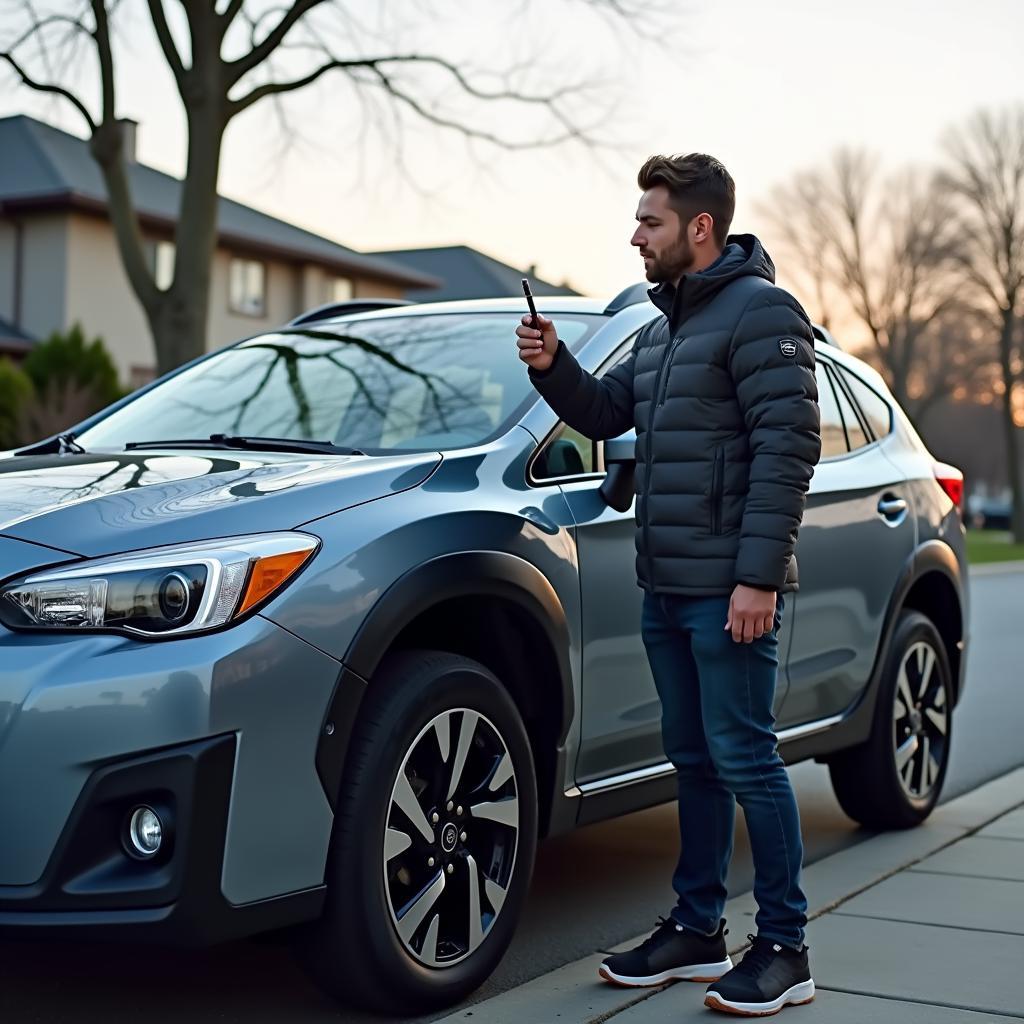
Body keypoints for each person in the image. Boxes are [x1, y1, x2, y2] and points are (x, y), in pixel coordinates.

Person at [516, 153, 822, 1017]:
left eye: (649, 221)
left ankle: (786, 948)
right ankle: (697, 929)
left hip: (731, 591)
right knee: (693, 761)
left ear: (699, 227)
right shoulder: (663, 331)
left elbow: (787, 448)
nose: (634, 235)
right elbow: (611, 412)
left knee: (747, 759)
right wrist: (553, 366)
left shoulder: (762, 314)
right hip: (669, 588)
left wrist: (757, 578)